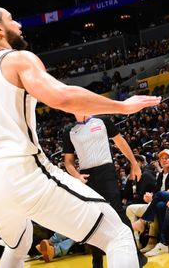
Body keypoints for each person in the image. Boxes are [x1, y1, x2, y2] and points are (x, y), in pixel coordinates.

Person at [0, 1, 161, 268]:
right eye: (12, 19)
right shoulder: (17, 59)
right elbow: (63, 97)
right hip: (20, 174)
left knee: (19, 244)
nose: (19, 25)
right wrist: (122, 107)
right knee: (118, 234)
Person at [62, 114, 148, 268]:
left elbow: (120, 142)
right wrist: (77, 176)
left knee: (117, 213)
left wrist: (134, 163)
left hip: (106, 171)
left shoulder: (102, 120)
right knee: (93, 217)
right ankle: (97, 261)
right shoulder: (69, 130)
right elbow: (68, 162)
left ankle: (136, 254)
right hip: (86, 177)